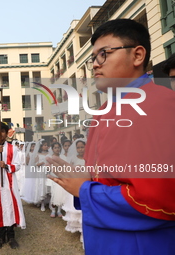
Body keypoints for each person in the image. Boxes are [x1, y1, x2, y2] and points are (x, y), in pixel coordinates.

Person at [47, 19, 175, 255]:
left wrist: (85, 190)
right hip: (102, 236)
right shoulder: (104, 110)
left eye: (104, 54)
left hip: (139, 243)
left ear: (137, 55)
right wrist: (82, 176)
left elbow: (158, 199)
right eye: (92, 58)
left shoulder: (159, 104)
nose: (95, 65)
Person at [0, 122, 26, 250]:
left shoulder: (13, 148)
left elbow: (18, 165)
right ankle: (1, 237)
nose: (0, 134)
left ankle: (11, 236)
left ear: (6, 133)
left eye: (2, 131)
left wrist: (7, 166)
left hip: (9, 184)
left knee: (9, 208)